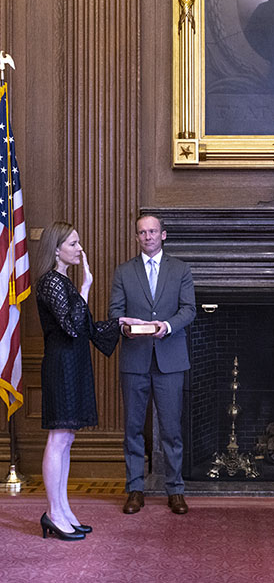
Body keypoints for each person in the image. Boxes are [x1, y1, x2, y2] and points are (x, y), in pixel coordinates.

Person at [36, 221, 135, 541]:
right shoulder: (50, 282)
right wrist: (87, 286)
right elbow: (72, 325)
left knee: (67, 439)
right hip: (60, 366)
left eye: (79, 243)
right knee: (58, 439)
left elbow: (89, 328)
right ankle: (53, 513)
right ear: (56, 249)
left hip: (74, 365)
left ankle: (62, 509)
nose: (80, 249)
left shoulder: (62, 281)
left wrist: (120, 323)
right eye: (74, 244)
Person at [109, 214, 196, 515]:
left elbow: (189, 310)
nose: (147, 236)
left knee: (172, 429)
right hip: (135, 359)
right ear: (136, 237)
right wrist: (125, 326)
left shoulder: (181, 270)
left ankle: (175, 490)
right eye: (142, 232)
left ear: (164, 235)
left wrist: (168, 326)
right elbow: (115, 314)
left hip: (170, 360)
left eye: (152, 231)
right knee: (133, 429)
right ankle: (135, 489)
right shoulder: (123, 272)